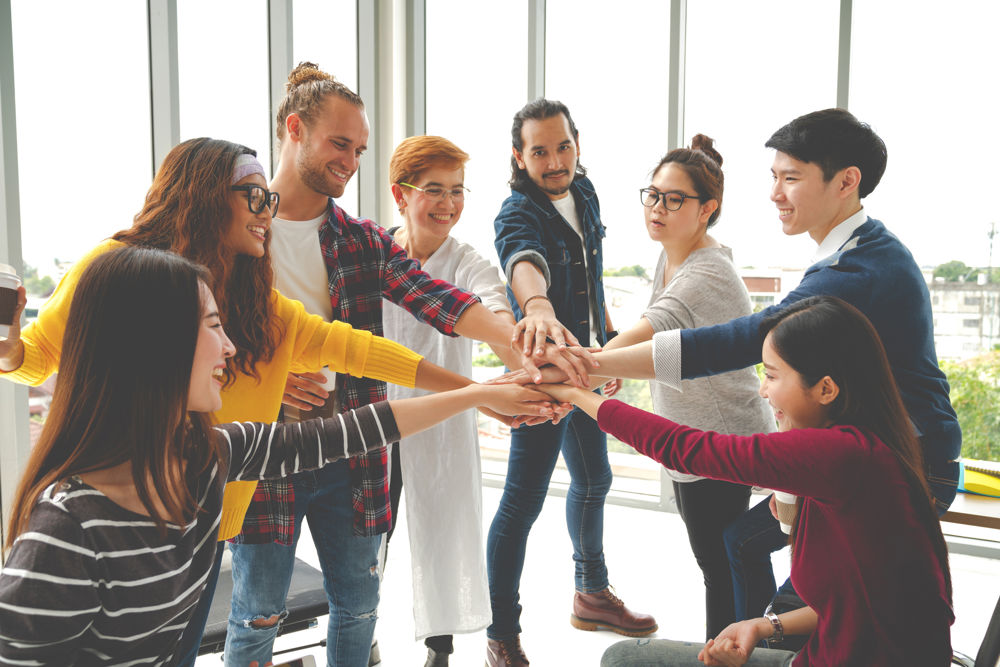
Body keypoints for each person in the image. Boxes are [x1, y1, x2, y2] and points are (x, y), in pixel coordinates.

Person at [0, 138, 472, 665]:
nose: (268, 210)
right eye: (254, 196)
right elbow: (37, 358)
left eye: (267, 199)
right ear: (203, 195)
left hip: (205, 517)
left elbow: (354, 365)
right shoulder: (120, 275)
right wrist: (12, 347)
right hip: (144, 505)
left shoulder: (229, 418)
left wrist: (475, 392)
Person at [505, 108, 961, 637]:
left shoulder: (857, 272)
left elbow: (738, 340)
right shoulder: (858, 249)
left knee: (811, 612)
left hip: (910, 463)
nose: (775, 193)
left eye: (791, 179)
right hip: (867, 452)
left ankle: (759, 641)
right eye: (774, 177)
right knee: (743, 542)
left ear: (846, 182)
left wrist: (588, 367)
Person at [0, 246, 555, 666]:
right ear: (156, 346)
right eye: (215, 327)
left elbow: (350, 431)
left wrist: (481, 394)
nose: (231, 346)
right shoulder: (66, 533)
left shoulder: (204, 457)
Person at [231, 64, 584, 667]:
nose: (351, 160)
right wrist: (264, 378)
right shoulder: (238, 232)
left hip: (359, 450)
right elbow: (206, 326)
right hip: (269, 454)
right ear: (294, 129)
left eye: (359, 149)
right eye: (340, 144)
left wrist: (528, 341)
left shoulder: (361, 241)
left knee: (359, 608)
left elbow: (444, 302)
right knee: (258, 613)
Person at [540, 296, 954, 666]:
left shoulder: (842, 456)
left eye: (772, 376)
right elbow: (848, 603)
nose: (762, 391)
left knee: (623, 659)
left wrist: (577, 395)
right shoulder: (864, 454)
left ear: (826, 389)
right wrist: (764, 625)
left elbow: (689, 449)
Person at [487, 98, 654, 666]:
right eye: (540, 151)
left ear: (577, 144)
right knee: (520, 504)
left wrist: (609, 352)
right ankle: (501, 634)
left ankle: (591, 592)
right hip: (549, 378)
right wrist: (535, 305)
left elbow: (591, 280)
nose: (554, 160)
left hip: (590, 364)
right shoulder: (517, 212)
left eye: (563, 146)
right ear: (519, 156)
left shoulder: (584, 192)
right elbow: (522, 261)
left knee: (595, 479)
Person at [601, 135, 774, 638]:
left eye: (674, 199)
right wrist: (608, 360)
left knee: (720, 567)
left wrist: (587, 364)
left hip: (719, 442)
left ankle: (734, 650)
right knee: (724, 562)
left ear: (707, 210)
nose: (657, 207)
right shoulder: (673, 252)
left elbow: (648, 333)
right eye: (653, 195)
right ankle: (745, 646)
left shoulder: (708, 273)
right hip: (693, 438)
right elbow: (647, 331)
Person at [380, 135, 528, 666]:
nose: (448, 204)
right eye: (434, 190)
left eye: (458, 191)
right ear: (400, 195)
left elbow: (493, 309)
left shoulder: (465, 260)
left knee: (444, 530)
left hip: (442, 419)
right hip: (376, 419)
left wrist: (526, 367)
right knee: (373, 534)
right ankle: (362, 628)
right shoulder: (377, 253)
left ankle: (438, 648)